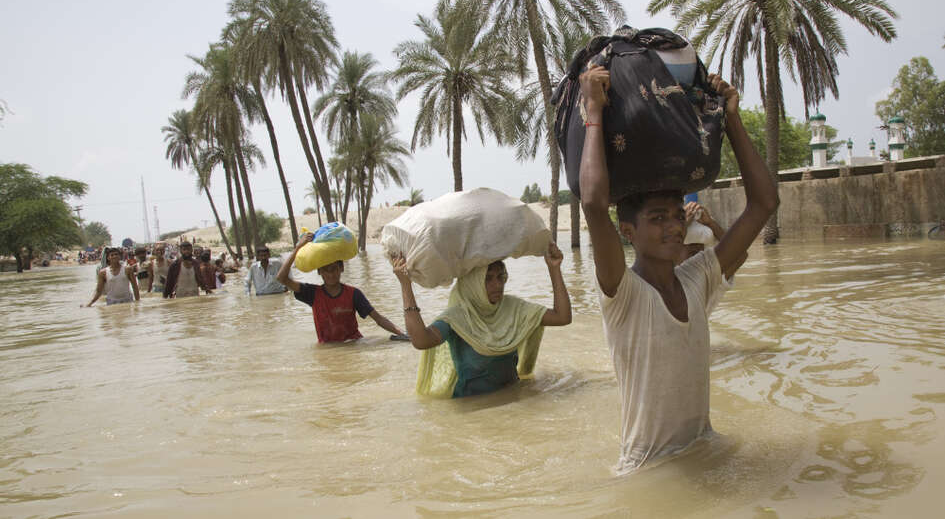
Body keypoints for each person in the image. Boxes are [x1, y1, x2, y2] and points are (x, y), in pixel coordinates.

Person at [579, 66, 779, 472]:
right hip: (648, 469)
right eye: (657, 218)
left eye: (675, 215)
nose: (673, 227)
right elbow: (594, 204)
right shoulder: (624, 294)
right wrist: (593, 112)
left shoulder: (696, 278)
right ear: (628, 232)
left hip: (706, 449)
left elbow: (764, 204)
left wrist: (732, 118)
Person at [390, 242, 572, 398]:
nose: (498, 285)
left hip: (513, 399)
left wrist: (554, 268)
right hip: (470, 408)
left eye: (501, 277)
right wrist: (406, 285)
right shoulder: (458, 317)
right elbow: (421, 341)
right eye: (488, 279)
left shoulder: (513, 308)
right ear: (472, 282)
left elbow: (562, 317)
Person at [278, 233, 405, 343]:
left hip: (354, 344)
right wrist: (298, 248)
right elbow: (281, 278)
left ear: (341, 268)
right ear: (319, 272)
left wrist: (402, 334)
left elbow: (378, 319)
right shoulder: (312, 293)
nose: (331, 274)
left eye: (334, 269)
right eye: (326, 270)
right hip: (327, 348)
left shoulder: (354, 294)